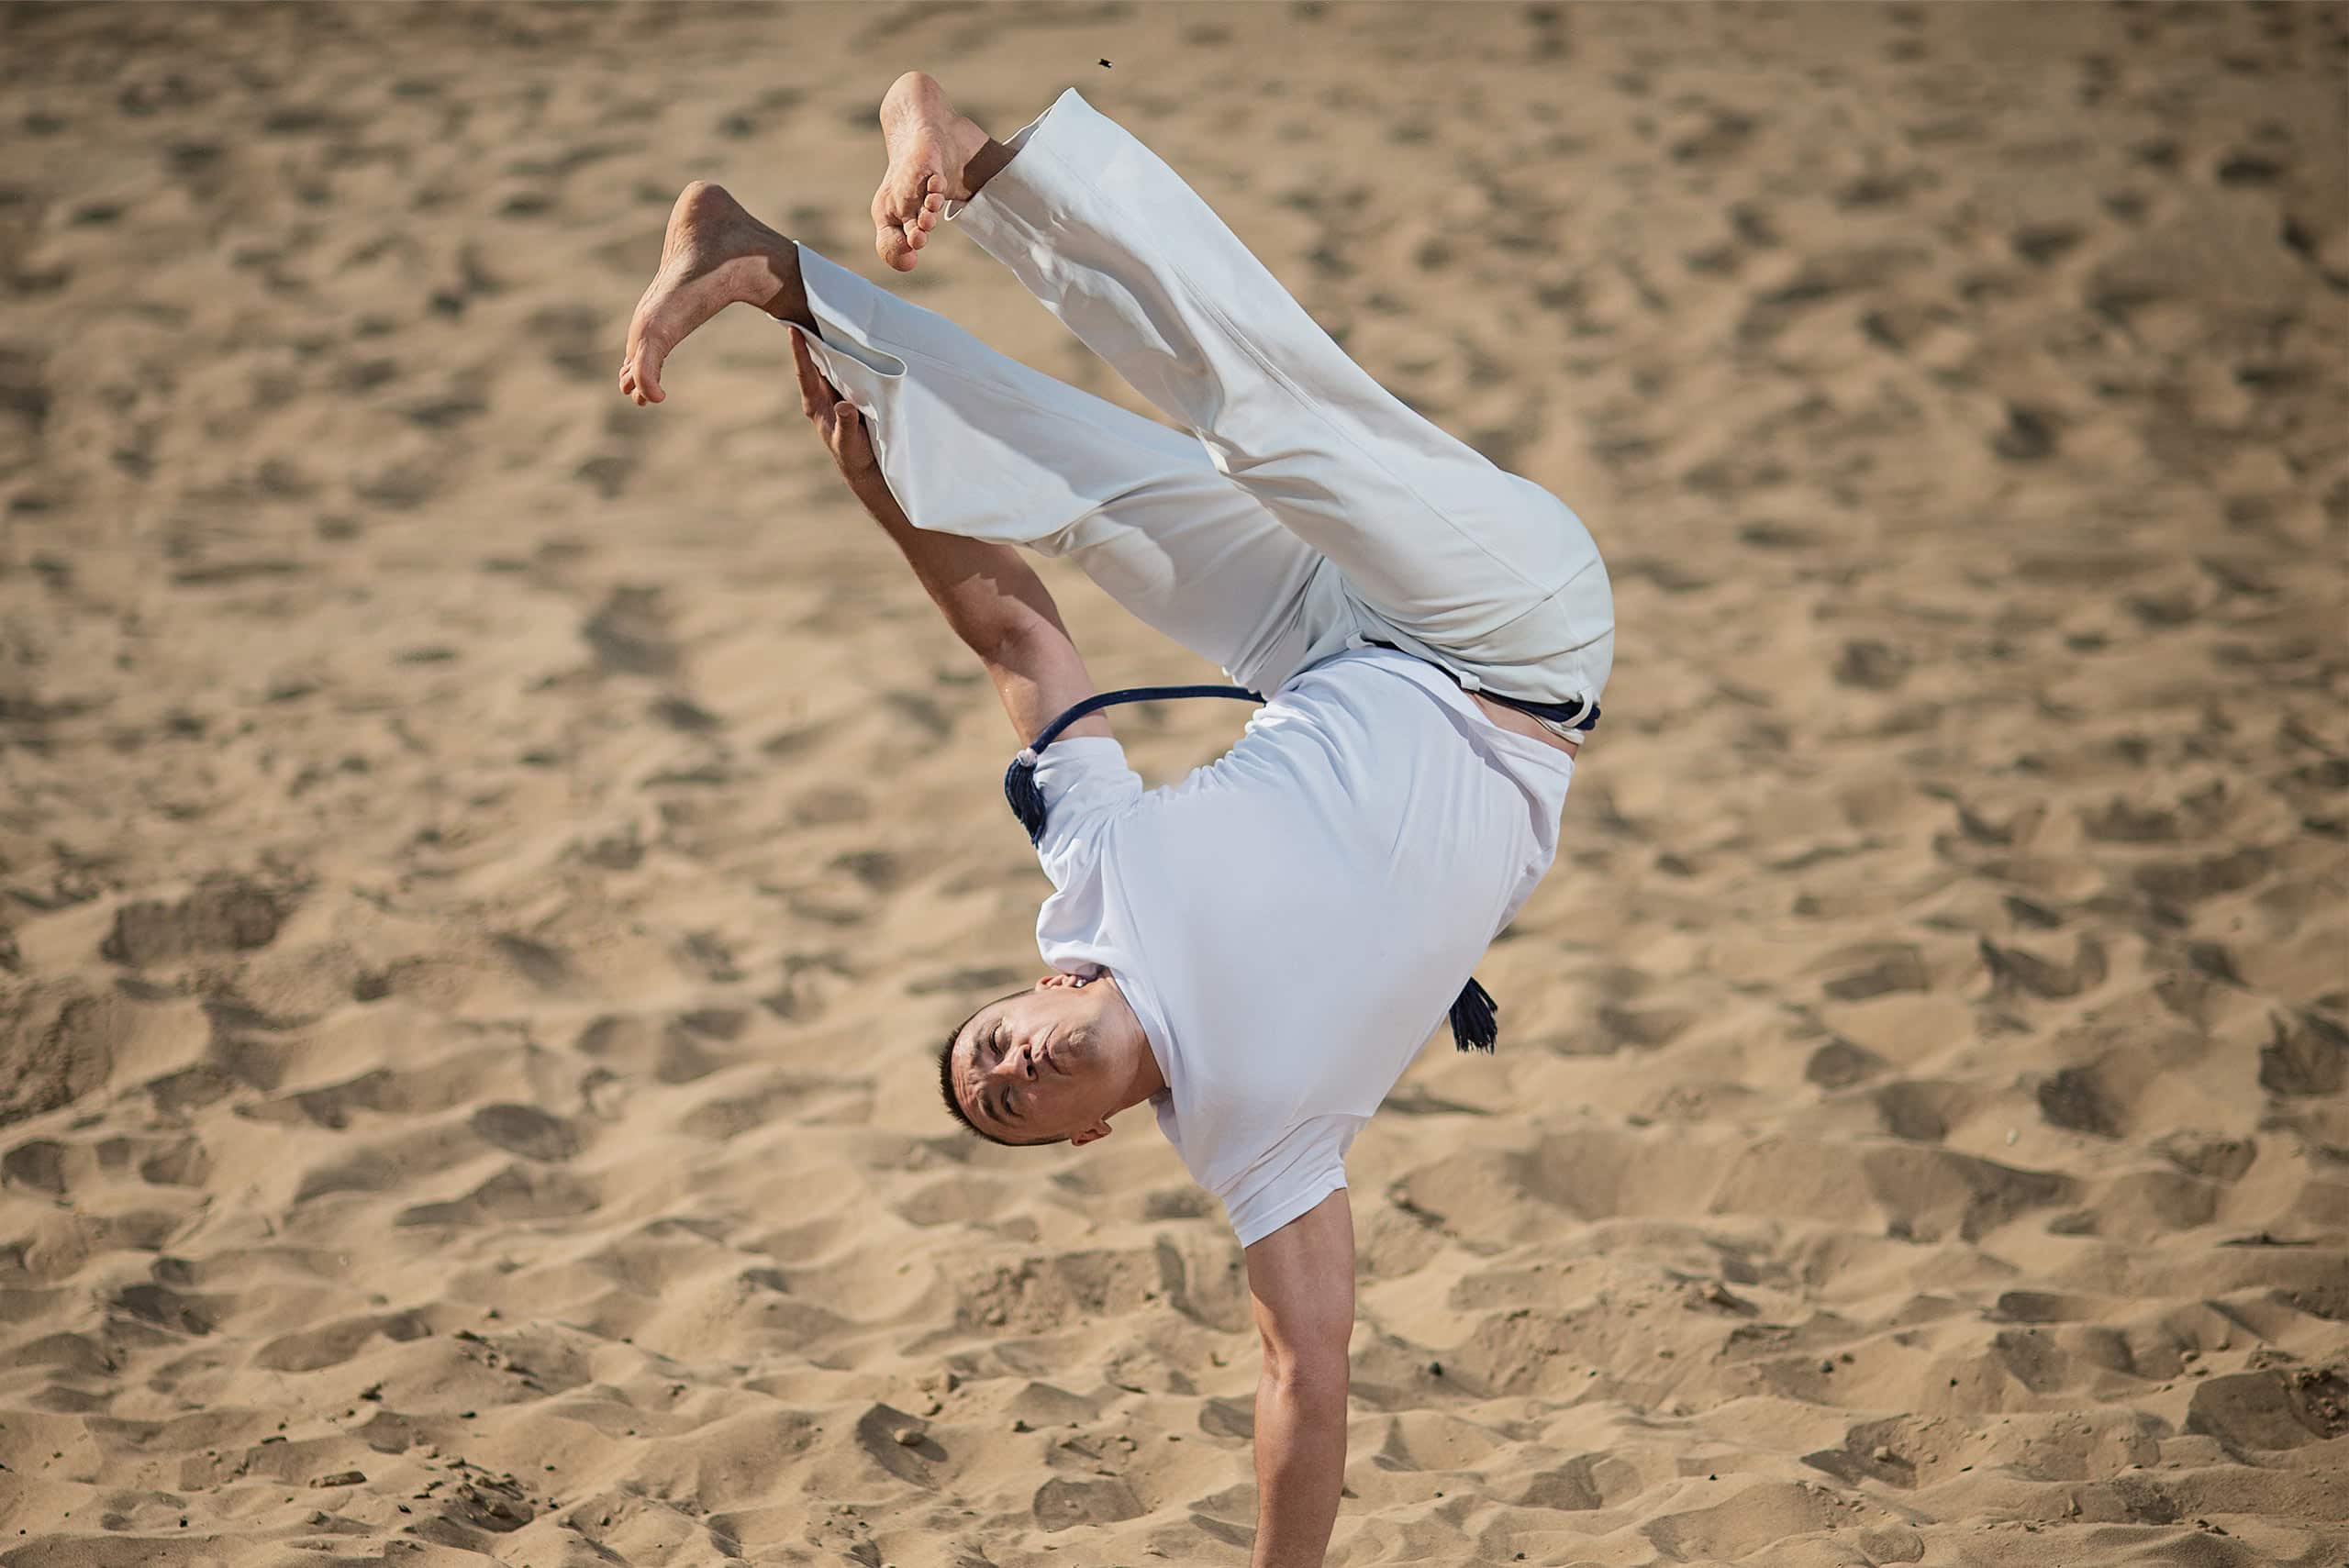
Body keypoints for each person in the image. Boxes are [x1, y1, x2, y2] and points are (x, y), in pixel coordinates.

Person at [618, 72, 1613, 1568]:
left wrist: (885, 493)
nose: (1010, 1062)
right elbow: (1306, 1377)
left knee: (1091, 498)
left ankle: (782, 267)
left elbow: (1022, 645)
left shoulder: (1091, 884)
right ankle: (999, 188)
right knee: (1274, 441)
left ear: (1042, 985)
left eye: (989, 1041)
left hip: (1331, 639)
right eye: (1010, 1097)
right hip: (1522, 644)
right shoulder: (1257, 1141)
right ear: (1083, 1139)